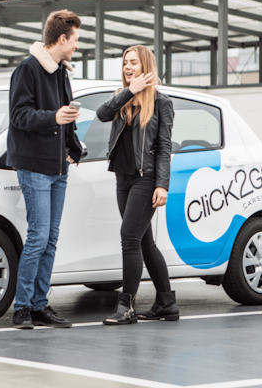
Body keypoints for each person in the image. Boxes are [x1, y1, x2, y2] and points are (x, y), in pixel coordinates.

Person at [7, 9, 82, 329]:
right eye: (75, 39)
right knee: (38, 237)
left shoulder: (62, 72)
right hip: (34, 166)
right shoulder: (27, 70)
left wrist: (73, 150)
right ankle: (22, 307)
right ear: (62, 38)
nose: (77, 45)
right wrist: (54, 117)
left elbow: (66, 119)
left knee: (50, 239)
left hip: (57, 166)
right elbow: (18, 116)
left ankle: (39, 305)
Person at [96, 45, 179, 325]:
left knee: (129, 237)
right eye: (124, 63)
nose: (127, 67)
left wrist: (162, 185)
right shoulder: (121, 98)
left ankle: (126, 306)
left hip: (146, 178)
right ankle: (166, 302)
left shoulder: (161, 102)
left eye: (133, 62)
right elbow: (102, 114)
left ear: (145, 66)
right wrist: (129, 91)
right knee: (145, 242)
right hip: (123, 178)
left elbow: (165, 147)